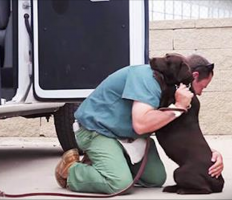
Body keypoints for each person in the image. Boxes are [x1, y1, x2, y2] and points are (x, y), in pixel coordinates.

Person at [55, 53, 224, 194]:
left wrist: (210, 154)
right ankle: (71, 171)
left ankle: (106, 163)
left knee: (155, 179)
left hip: (126, 135)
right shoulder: (147, 79)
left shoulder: (171, 84)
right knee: (120, 184)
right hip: (97, 130)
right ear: (193, 76)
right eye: (203, 87)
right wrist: (178, 107)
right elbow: (141, 125)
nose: (200, 93)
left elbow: (185, 133)